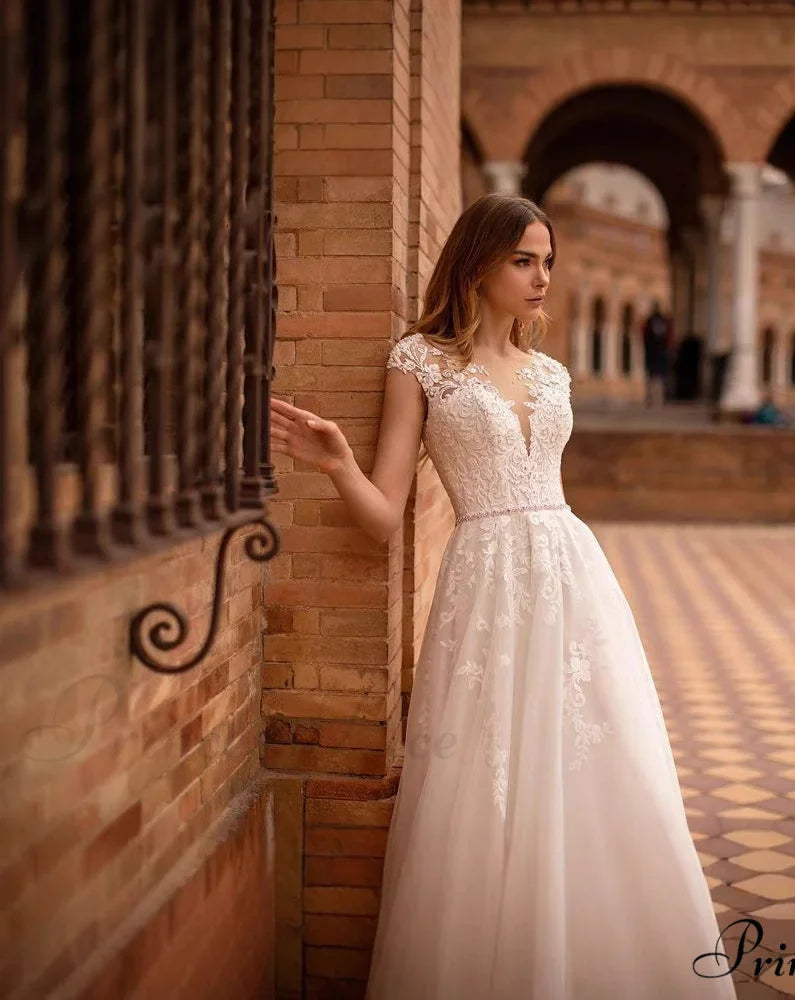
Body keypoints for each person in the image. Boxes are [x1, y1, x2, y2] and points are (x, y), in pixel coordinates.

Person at [269, 194, 737, 1000]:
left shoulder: (550, 371)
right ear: (479, 263)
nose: (541, 277)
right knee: (488, 780)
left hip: (573, 579)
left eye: (547, 261)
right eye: (524, 260)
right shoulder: (419, 363)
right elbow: (384, 518)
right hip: (484, 589)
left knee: (599, 759)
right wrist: (338, 462)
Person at [642, 301, 673, 405]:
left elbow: (645, 336)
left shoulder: (651, 321)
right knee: (657, 376)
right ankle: (657, 398)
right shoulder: (660, 322)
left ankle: (653, 398)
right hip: (657, 352)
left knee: (654, 376)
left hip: (655, 352)